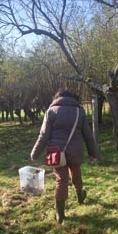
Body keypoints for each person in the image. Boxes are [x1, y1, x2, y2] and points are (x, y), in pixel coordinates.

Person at [31, 88, 98, 224]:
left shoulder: (51, 111)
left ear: (57, 98)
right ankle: (80, 197)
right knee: (76, 172)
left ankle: (60, 215)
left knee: (61, 180)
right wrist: (93, 153)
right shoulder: (80, 111)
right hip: (76, 150)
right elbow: (88, 135)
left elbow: (44, 135)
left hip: (56, 151)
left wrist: (35, 153)